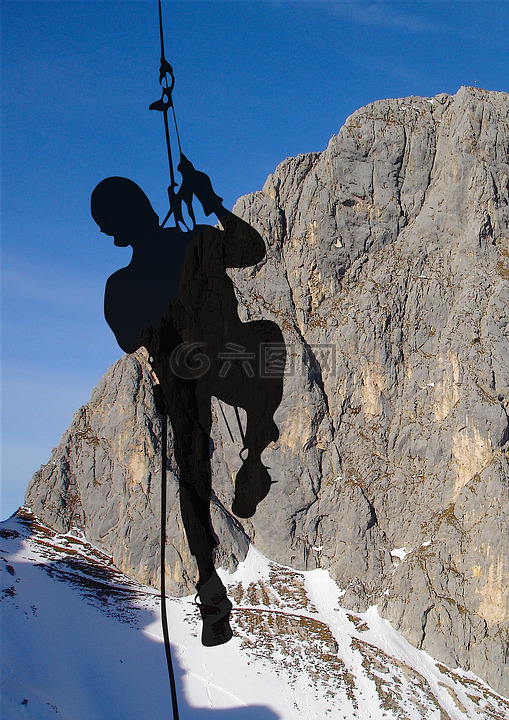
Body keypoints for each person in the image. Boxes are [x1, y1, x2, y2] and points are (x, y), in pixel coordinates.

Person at [91, 161, 285, 645]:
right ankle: (255, 455)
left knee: (192, 471)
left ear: (113, 233)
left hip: (183, 376)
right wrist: (209, 198)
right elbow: (252, 248)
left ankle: (207, 578)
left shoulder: (123, 284)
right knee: (268, 339)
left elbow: (127, 337)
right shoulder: (195, 242)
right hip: (225, 361)